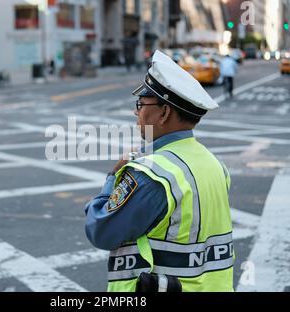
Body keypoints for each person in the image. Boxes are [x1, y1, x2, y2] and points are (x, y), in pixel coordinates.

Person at [85, 51, 234, 292]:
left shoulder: (152, 175)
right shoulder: (214, 164)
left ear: (164, 112)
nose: (137, 112)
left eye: (141, 104)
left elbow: (100, 231)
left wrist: (113, 178)